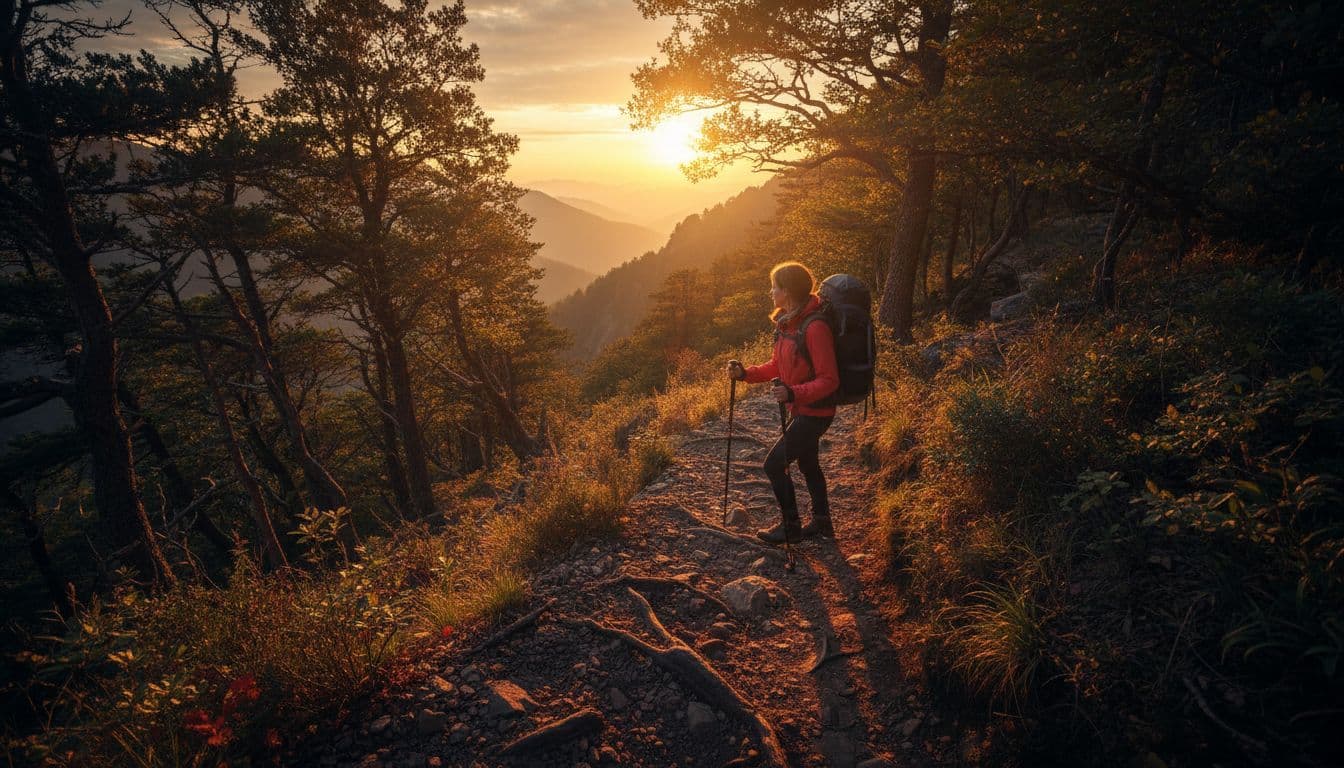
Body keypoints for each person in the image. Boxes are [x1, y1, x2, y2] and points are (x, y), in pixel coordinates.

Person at [727, 261, 839, 544]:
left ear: (787, 292)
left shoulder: (814, 328)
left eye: (774, 286)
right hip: (803, 408)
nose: (771, 291)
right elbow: (777, 365)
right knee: (808, 463)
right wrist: (745, 374)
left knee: (774, 465)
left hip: (816, 411)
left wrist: (793, 393)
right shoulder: (789, 324)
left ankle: (791, 527)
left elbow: (830, 380)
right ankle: (822, 522)